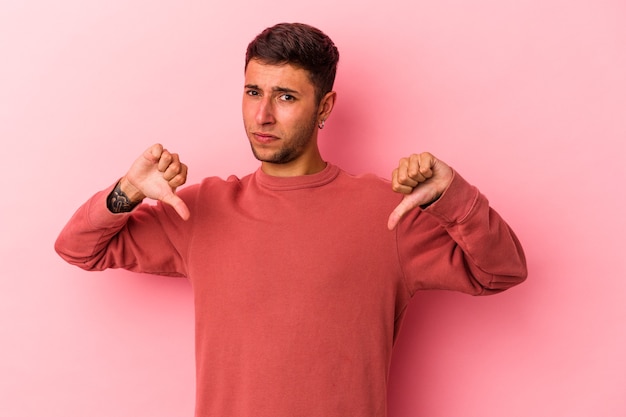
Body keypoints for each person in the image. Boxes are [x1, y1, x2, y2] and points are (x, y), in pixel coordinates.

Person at [55, 22, 527, 417]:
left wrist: (452, 195)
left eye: (285, 97)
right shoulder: (200, 210)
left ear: (324, 107)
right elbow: (78, 248)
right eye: (252, 91)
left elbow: (500, 270)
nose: (262, 115)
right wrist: (127, 191)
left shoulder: (388, 211)